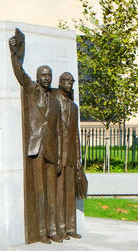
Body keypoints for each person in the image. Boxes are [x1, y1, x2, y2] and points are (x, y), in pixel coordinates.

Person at [9, 28, 63, 244]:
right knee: (39, 192)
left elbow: (59, 131)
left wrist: (59, 156)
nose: (46, 78)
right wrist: (14, 53)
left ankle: (52, 229)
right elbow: (20, 73)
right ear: (38, 77)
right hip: (35, 148)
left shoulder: (56, 102)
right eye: (43, 75)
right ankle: (41, 232)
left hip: (50, 148)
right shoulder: (31, 90)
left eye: (49, 75)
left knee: (51, 192)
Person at [53, 72, 83, 240]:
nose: (68, 83)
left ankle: (71, 227)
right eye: (65, 80)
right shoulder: (55, 103)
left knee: (70, 193)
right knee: (59, 192)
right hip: (59, 154)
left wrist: (78, 159)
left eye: (71, 81)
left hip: (71, 155)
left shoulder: (74, 107)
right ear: (59, 83)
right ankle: (60, 228)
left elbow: (76, 135)